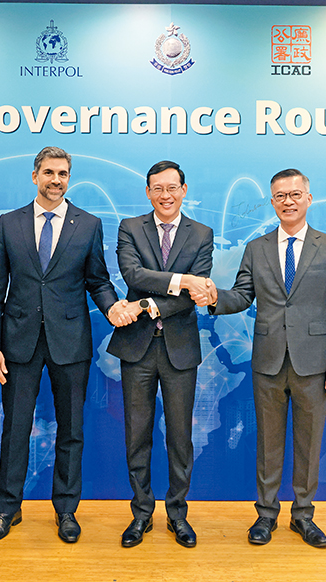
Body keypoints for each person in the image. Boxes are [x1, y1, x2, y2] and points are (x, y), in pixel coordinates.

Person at [0, 146, 134, 543]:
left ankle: (66, 511)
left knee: (71, 430)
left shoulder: (89, 224)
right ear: (35, 176)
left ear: (69, 178)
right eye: (49, 172)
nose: (56, 180)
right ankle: (7, 510)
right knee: (15, 429)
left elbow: (97, 280)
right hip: (18, 344)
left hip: (70, 342)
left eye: (63, 173)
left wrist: (112, 307)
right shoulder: (9, 223)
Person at [197, 168, 326, 548]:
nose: (288, 201)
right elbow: (242, 295)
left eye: (295, 194)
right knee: (268, 442)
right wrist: (215, 297)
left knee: (309, 443)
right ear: (272, 202)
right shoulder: (257, 248)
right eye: (280, 196)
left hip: (314, 362)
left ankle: (303, 516)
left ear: (308, 198)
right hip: (267, 361)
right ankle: (266, 515)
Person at [106, 161, 214, 548]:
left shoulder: (201, 234)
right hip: (137, 349)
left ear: (184, 190)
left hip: (179, 350)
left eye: (172, 188)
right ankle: (141, 514)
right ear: (148, 192)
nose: (165, 195)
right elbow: (133, 275)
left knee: (180, 437)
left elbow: (195, 296)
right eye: (157, 188)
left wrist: (146, 305)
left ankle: (177, 514)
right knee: (137, 436)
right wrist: (183, 280)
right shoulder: (130, 228)